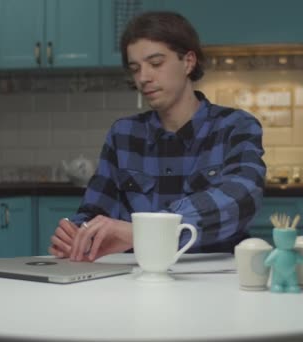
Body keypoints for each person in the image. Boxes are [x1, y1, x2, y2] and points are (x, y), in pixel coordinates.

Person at [49, 11, 266, 262]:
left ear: (188, 62)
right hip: (141, 279)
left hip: (217, 276)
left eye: (155, 63)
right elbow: (95, 210)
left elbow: (243, 196)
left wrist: (143, 231)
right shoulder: (123, 134)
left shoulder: (236, 126)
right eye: (135, 68)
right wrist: (77, 235)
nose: (143, 77)